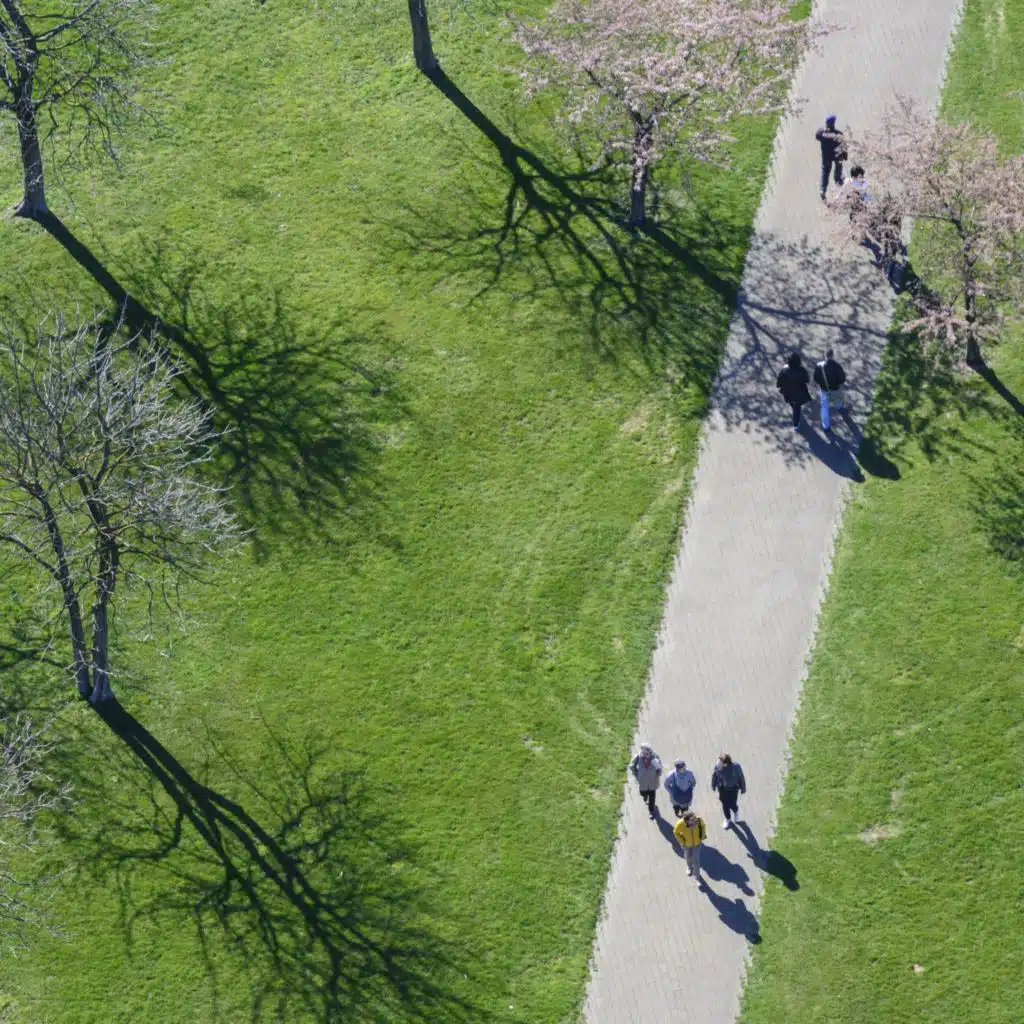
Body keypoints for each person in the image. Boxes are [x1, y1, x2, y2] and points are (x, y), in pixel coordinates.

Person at [813, 349, 847, 432]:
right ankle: (839, 408)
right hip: (835, 389)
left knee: (824, 408)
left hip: (824, 389)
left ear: (825, 356)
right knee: (838, 400)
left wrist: (822, 384)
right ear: (832, 356)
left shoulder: (819, 366)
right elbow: (842, 379)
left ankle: (826, 426)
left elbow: (816, 379)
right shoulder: (837, 366)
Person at [776, 352, 812, 429]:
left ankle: (796, 420)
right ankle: (796, 424)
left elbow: (779, 383)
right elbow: (806, 380)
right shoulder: (802, 370)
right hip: (799, 393)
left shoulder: (784, 370)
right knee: (797, 409)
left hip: (788, 393)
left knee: (793, 405)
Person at [815, 115, 847, 200]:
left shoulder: (821, 133)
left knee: (825, 172)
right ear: (834, 123)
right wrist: (845, 155)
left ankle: (823, 190)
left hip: (826, 157)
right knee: (838, 172)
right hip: (837, 156)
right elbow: (844, 145)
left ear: (827, 123)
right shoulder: (838, 134)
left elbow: (817, 136)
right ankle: (840, 184)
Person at [711, 753, 746, 829]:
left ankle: (736, 812)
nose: (718, 763)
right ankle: (728, 819)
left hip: (733, 789)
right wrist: (713, 785)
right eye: (718, 761)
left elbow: (741, 777)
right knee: (725, 805)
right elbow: (715, 775)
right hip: (722, 788)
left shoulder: (736, 767)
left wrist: (743, 788)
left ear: (725, 764)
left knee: (732, 804)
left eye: (720, 762)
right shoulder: (718, 767)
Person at [629, 743, 662, 819]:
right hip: (642, 781)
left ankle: (651, 811)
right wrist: (636, 774)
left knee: (652, 797)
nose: (646, 754)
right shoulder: (637, 757)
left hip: (652, 782)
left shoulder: (655, 758)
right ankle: (645, 796)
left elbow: (659, 768)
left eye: (648, 752)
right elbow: (632, 766)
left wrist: (657, 775)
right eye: (644, 752)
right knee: (642, 793)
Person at [673, 809, 706, 879]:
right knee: (688, 856)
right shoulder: (680, 824)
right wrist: (682, 841)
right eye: (692, 822)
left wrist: (702, 836)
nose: (695, 823)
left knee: (696, 860)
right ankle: (689, 867)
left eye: (694, 820)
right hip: (686, 844)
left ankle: (697, 876)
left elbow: (703, 826)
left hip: (697, 844)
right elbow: (676, 832)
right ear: (686, 821)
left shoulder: (698, 820)